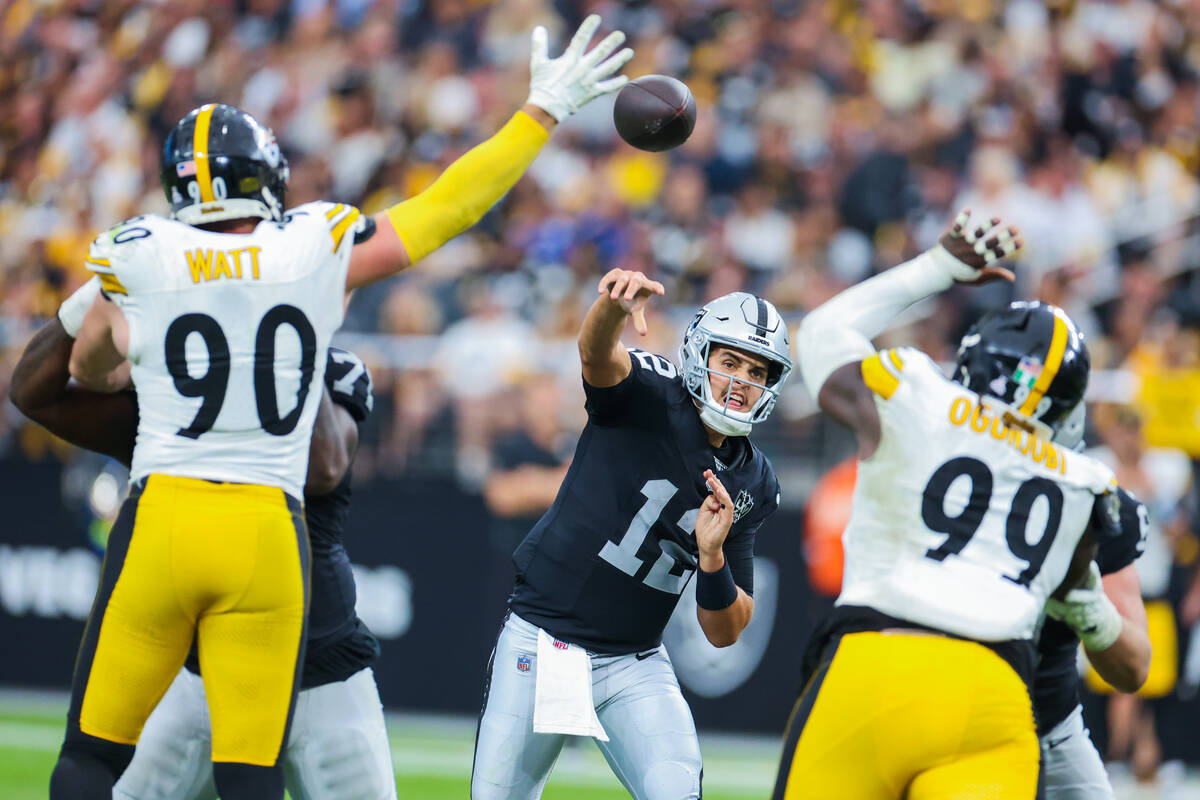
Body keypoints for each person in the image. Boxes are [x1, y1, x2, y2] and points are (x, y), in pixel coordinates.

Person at [44, 15, 633, 799]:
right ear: (270, 179)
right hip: (264, 530)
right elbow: (445, 209)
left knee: (89, 759)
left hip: (163, 514)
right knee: (250, 775)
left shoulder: (138, 252)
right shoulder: (311, 245)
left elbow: (85, 367)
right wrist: (540, 116)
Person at [774, 210, 1121, 799]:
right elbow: (1074, 613)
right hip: (996, 695)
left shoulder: (914, 392)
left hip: (877, 666)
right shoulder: (1086, 484)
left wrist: (937, 269)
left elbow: (824, 332)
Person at [10, 288, 390, 799]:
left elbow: (324, 469)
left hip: (318, 671)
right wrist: (95, 292)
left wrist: (295, 349)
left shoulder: (327, 367)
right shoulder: (179, 385)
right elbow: (35, 393)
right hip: (194, 673)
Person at [471, 272, 793, 800]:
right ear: (699, 356)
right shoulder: (651, 395)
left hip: (633, 661)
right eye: (729, 362)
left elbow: (726, 630)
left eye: (757, 370)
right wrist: (613, 309)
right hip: (546, 639)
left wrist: (711, 556)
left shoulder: (755, 480)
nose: (740, 381)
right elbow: (596, 356)